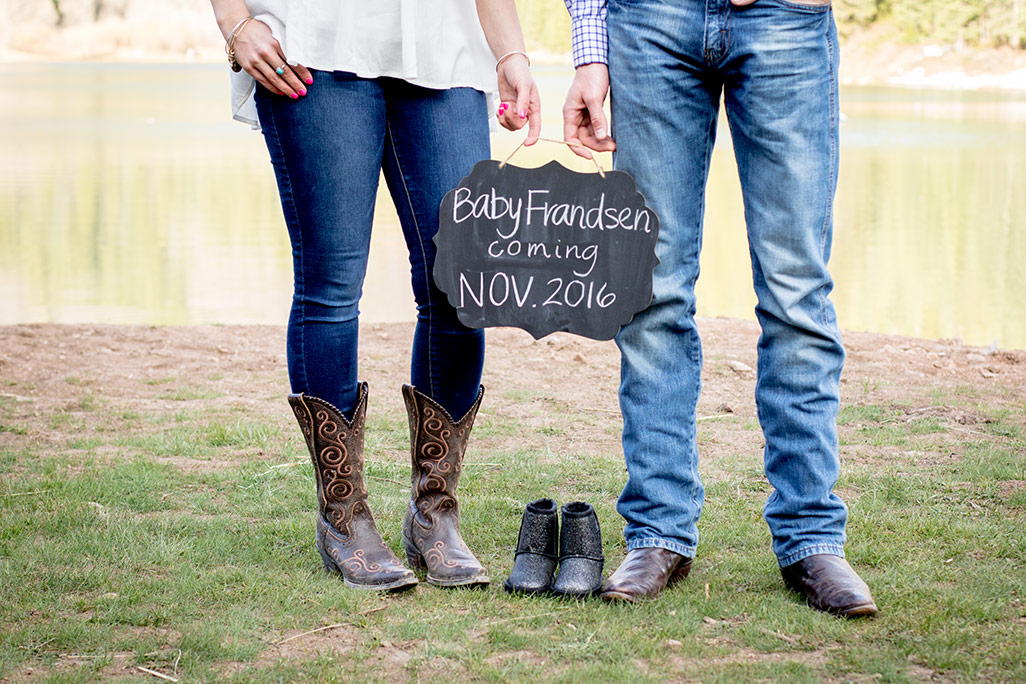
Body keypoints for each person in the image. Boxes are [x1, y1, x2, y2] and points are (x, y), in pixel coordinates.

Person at [209, 0, 540, 591]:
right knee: (332, 285)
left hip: (442, 46)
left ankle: (433, 512)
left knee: (459, 283)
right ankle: (344, 517)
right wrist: (236, 22)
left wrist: (511, 51)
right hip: (314, 42)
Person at [562, 0, 878, 615]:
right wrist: (591, 47)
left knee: (796, 291)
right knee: (651, 290)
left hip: (786, 18)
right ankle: (658, 533)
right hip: (649, 20)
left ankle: (812, 536)